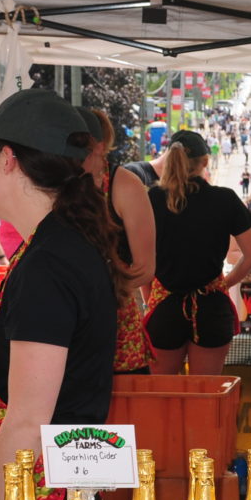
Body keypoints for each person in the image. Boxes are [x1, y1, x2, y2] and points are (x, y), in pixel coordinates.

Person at [0, 89, 127, 500]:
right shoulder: (51, 246)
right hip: (52, 486)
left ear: (7, 158)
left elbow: (28, 418)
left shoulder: (49, 264)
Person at [144, 131, 251, 376]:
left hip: (165, 304)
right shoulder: (225, 199)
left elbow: (139, 257)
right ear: (205, 161)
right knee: (205, 396)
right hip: (210, 305)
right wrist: (224, 284)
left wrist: (151, 295)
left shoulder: (152, 198)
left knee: (162, 396)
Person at [81, 110, 156, 375]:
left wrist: (98, 294)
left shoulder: (124, 185)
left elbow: (145, 268)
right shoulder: (57, 183)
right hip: (68, 324)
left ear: (100, 147)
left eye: (80, 148)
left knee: (123, 409)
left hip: (114, 320)